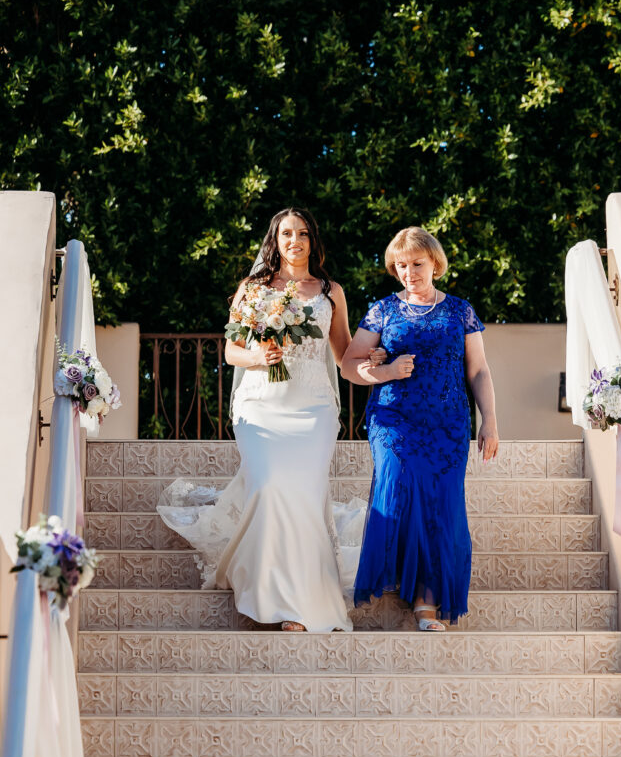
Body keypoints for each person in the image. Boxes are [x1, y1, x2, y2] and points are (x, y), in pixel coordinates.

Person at [158, 207, 379, 632]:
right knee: (271, 484)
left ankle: (301, 603)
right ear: (274, 242)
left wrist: (377, 364)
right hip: (261, 404)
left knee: (303, 490)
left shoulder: (331, 291)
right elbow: (231, 351)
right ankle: (268, 590)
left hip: (314, 405)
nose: (294, 241)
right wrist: (259, 357)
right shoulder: (253, 288)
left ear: (312, 240)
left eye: (302, 234)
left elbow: (344, 356)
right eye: (286, 235)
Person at [341, 226, 499, 631]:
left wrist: (490, 422)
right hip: (393, 419)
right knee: (394, 487)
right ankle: (392, 576)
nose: (409, 271)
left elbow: (478, 370)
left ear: (435, 263)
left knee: (440, 505)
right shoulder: (382, 310)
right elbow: (349, 365)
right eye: (401, 265)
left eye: (417, 263)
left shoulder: (460, 310)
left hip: (447, 424)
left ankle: (426, 602)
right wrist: (385, 371)